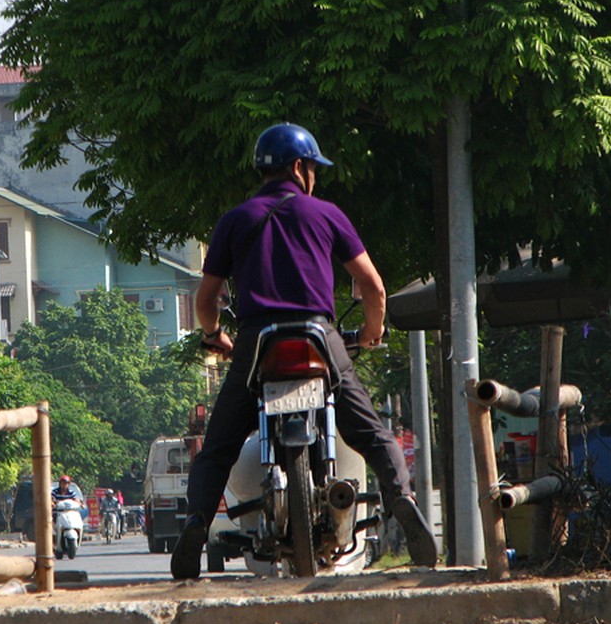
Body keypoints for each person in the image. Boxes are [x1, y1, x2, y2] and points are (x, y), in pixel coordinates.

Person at [170, 122, 438, 580]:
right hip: (320, 336)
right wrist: (372, 332)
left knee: (218, 447)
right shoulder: (327, 214)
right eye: (313, 167)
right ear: (299, 167)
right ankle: (402, 499)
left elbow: (206, 298)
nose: (314, 176)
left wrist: (215, 335)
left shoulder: (235, 219)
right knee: (373, 433)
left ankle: (196, 523)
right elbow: (372, 286)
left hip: (257, 339)